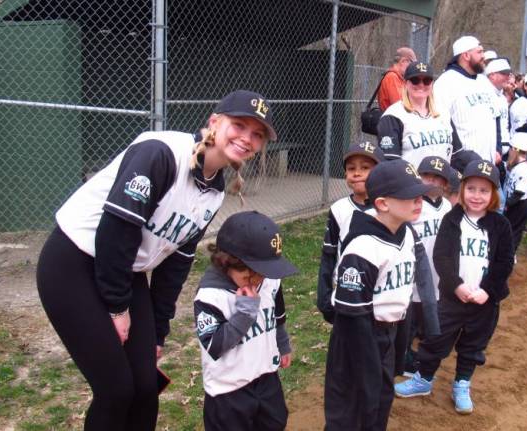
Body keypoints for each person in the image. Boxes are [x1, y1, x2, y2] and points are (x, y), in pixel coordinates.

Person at [35, 90, 276, 430]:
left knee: (146, 384)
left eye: (257, 135)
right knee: (116, 389)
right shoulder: (161, 154)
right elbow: (116, 232)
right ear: (214, 122)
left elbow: (175, 263)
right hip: (72, 262)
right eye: (239, 125)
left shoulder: (215, 189)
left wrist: (157, 332)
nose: (247, 138)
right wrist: (117, 309)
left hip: (125, 270)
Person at [324, 159, 439, 430]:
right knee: (351, 410)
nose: (418, 201)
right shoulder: (363, 249)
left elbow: (402, 298)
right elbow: (353, 319)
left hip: (389, 332)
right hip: (357, 337)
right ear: (383, 204)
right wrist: (370, 369)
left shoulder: (406, 233)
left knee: (379, 404)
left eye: (419, 194)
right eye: (409, 196)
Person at [394, 160, 514, 415]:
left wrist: (488, 291)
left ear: (493, 194)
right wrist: (456, 286)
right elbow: (442, 257)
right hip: (452, 298)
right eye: (471, 188)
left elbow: (504, 263)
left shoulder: (500, 225)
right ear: (461, 190)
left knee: (473, 345)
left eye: (484, 190)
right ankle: (424, 378)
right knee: (435, 339)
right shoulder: (452, 219)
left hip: (484, 302)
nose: (477, 196)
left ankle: (462, 383)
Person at [194, 211, 298, 431]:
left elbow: (277, 311)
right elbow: (215, 345)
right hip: (228, 392)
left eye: (264, 272)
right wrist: (244, 314)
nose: (259, 280)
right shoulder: (211, 296)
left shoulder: (269, 280)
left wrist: (283, 343)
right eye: (250, 276)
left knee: (275, 423)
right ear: (226, 263)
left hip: (266, 377)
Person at [316, 141, 385, 323]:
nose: (357, 173)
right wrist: (324, 297)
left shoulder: (388, 208)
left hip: (380, 290)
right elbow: (328, 255)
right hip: (347, 287)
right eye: (350, 168)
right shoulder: (339, 209)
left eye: (365, 168)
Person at [403, 156, 454, 376]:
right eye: (426, 176)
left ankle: (417, 355)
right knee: (408, 323)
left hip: (437, 275)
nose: (431, 181)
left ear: (445, 183)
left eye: (437, 178)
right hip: (414, 274)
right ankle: (403, 357)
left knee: (429, 319)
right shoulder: (412, 204)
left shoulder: (447, 206)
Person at [433, 35, 499, 164]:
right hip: (462, 165)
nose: (483, 56)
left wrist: (498, 149)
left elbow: (495, 116)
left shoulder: (484, 81)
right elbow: (441, 122)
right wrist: (459, 155)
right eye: (479, 52)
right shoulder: (446, 82)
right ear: (466, 55)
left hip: (488, 163)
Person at [378, 61, 456, 167]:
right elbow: (391, 164)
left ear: (432, 84)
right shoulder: (393, 116)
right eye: (415, 80)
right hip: (410, 182)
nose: (421, 85)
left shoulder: (443, 112)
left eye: (426, 80)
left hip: (442, 181)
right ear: (405, 83)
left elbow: (457, 154)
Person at [503, 132, 527, 261]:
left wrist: (507, 205)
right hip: (514, 203)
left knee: (514, 232)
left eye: (511, 148)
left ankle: (511, 256)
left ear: (514, 150)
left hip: (520, 205)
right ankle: (508, 254)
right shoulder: (515, 165)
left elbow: (519, 192)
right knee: (509, 230)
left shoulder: (523, 169)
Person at [377, 47, 417, 111]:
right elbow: (399, 105)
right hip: (392, 119)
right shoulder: (392, 77)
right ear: (403, 61)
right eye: (412, 64)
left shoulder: (399, 78)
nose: (413, 68)